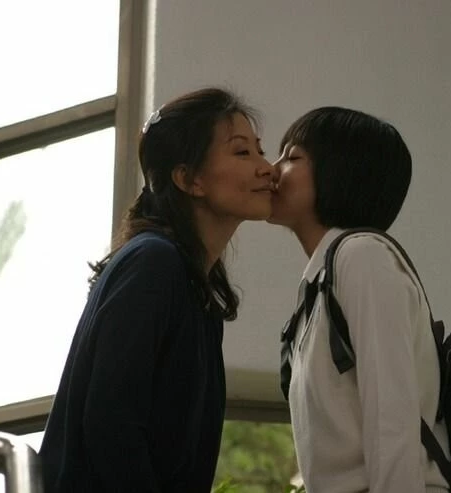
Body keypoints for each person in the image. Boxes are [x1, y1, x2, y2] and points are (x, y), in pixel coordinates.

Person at [38, 87, 274, 493]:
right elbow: (110, 421)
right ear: (189, 179)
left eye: (259, 151)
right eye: (242, 152)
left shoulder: (196, 294)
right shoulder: (153, 263)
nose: (266, 168)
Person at [268, 106, 449, 492]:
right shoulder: (319, 282)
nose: (272, 169)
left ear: (340, 172)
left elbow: (391, 417)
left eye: (292, 157)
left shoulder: (363, 257)